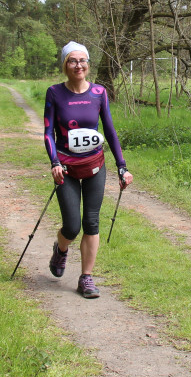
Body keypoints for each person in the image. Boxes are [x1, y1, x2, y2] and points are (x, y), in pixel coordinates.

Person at [43, 41, 132, 298]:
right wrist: (54, 163)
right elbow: (48, 131)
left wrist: (122, 167)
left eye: (82, 61)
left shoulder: (99, 93)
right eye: (72, 60)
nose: (78, 65)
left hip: (95, 166)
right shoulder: (54, 93)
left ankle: (86, 278)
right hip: (66, 169)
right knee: (71, 227)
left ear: (88, 65)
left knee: (91, 223)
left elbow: (110, 132)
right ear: (65, 65)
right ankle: (60, 251)